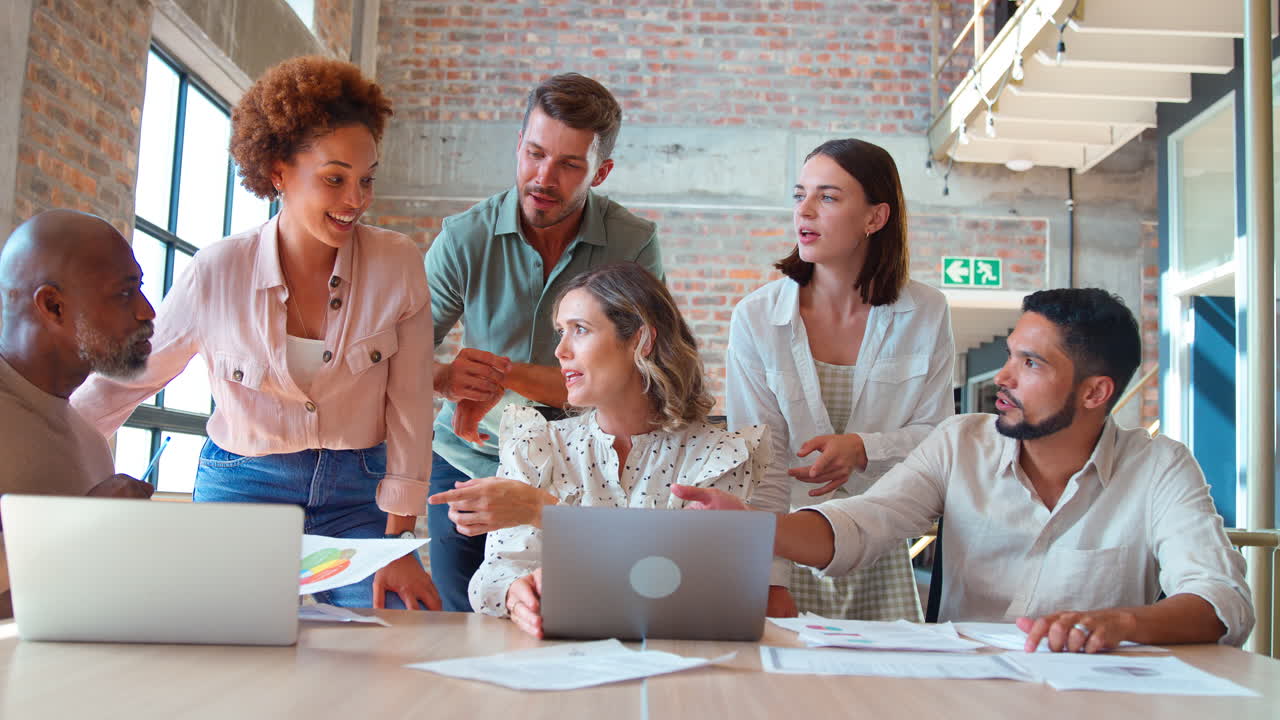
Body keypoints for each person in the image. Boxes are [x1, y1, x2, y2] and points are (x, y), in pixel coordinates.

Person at [676, 288, 1254, 652]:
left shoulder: (1159, 466)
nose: (1003, 377)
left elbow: (1222, 599)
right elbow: (865, 521)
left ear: (1095, 392)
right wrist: (755, 528)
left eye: (1030, 363)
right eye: (1010, 355)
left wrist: (1119, 624)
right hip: (967, 694)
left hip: (1098, 699)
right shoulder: (960, 442)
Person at [71, 56, 439, 610]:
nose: (356, 200)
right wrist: (45, 461)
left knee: (392, 637)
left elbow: (410, 404)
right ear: (278, 172)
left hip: (359, 497)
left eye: (366, 180)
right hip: (244, 488)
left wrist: (398, 541)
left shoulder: (399, 263)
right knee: (234, 642)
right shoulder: (216, 270)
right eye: (335, 179)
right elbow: (123, 384)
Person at [425, 73, 663, 611]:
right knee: (467, 620)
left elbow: (637, 377)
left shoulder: (633, 244)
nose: (543, 177)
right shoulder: (464, 237)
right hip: (471, 459)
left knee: (578, 616)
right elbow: (397, 355)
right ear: (519, 145)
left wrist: (502, 376)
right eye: (534, 154)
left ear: (601, 172)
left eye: (569, 165)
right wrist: (444, 378)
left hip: (585, 470)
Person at [440, 263, 769, 637]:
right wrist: (516, 594)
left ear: (640, 340)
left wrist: (543, 511)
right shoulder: (537, 444)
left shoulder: (719, 456)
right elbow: (493, 574)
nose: (560, 351)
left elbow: (702, 589)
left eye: (580, 329)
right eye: (561, 332)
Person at [728, 138, 954, 620]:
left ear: (875, 217)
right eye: (800, 195)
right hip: (784, 548)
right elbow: (760, 464)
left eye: (827, 197)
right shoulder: (757, 317)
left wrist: (863, 448)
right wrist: (770, 580)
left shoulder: (926, 311)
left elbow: (938, 438)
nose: (804, 210)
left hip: (880, 547)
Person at [0, 210, 157, 618]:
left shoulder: (90, 442)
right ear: (53, 306)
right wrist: (77, 523)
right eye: (124, 293)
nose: (147, 311)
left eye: (140, 290)